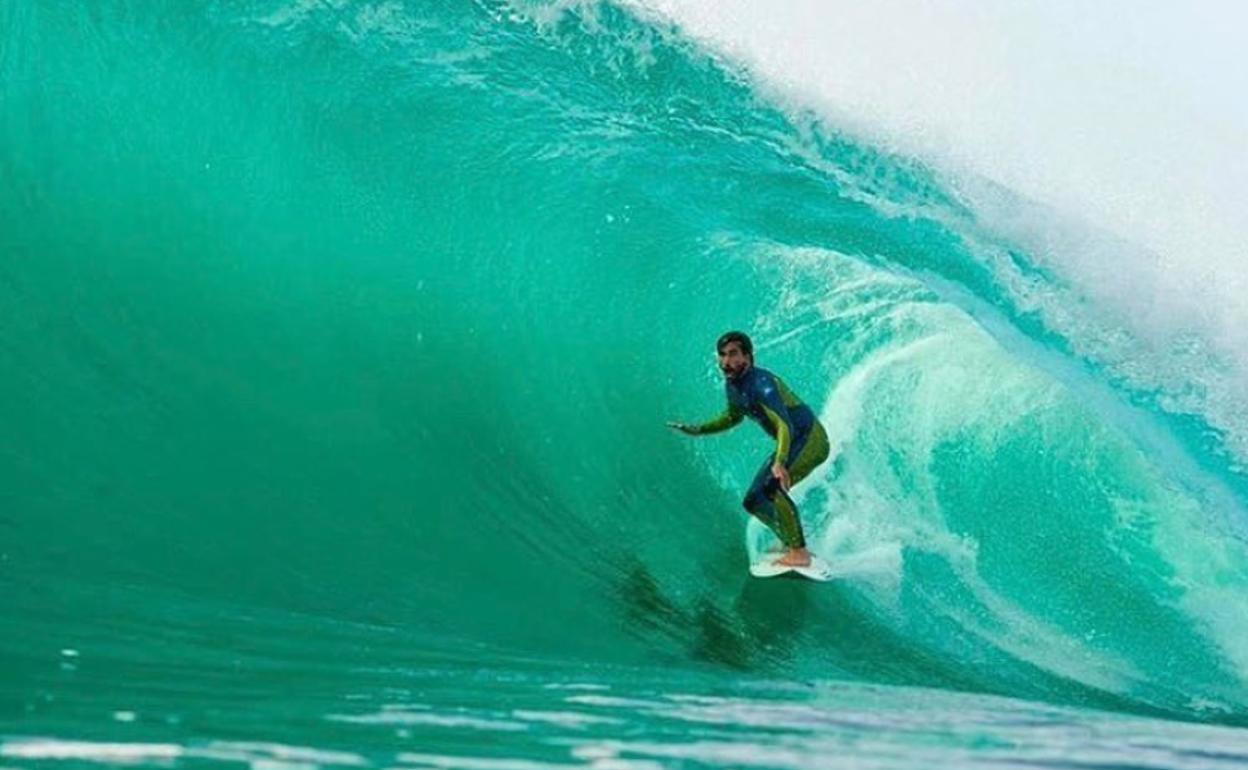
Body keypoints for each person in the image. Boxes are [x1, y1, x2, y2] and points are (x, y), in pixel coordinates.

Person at [668, 331, 830, 567]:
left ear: (748, 356)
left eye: (733, 354)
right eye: (722, 355)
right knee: (753, 500)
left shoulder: (762, 384)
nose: (726, 362)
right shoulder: (733, 385)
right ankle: (789, 540)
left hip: (809, 439)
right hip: (793, 441)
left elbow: (784, 425)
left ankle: (799, 552)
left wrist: (780, 462)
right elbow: (733, 417)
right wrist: (699, 429)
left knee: (772, 489)